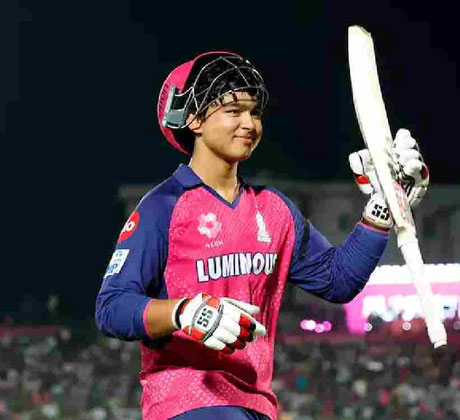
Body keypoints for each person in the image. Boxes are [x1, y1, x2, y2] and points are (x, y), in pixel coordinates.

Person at [95, 51, 429, 420]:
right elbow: (112, 307)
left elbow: (339, 280)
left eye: (254, 112)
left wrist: (383, 207)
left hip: (256, 405)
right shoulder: (163, 206)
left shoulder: (274, 208)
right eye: (233, 110)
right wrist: (185, 311)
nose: (249, 123)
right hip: (187, 402)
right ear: (193, 118)